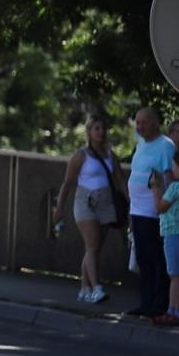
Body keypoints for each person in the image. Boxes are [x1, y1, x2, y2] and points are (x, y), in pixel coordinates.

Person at [54, 114, 126, 303]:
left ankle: (84, 288)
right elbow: (67, 182)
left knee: (93, 248)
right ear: (89, 132)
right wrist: (60, 207)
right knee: (93, 245)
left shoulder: (111, 155)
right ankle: (97, 288)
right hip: (85, 202)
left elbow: (120, 181)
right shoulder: (81, 155)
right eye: (96, 129)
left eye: (103, 129)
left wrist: (130, 202)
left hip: (106, 202)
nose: (101, 132)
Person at [125, 107, 176, 319]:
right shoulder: (140, 145)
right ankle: (145, 302)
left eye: (144, 122)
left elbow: (169, 177)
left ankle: (158, 303)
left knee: (156, 258)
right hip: (137, 210)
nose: (139, 126)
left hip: (153, 211)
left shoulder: (165, 146)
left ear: (155, 122)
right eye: (137, 122)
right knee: (143, 258)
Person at [149, 151, 179, 327]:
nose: (172, 169)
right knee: (178, 274)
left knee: (175, 276)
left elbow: (160, 207)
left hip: (173, 233)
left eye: (174, 166)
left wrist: (155, 187)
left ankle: (177, 312)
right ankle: (173, 309)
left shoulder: (176, 187)